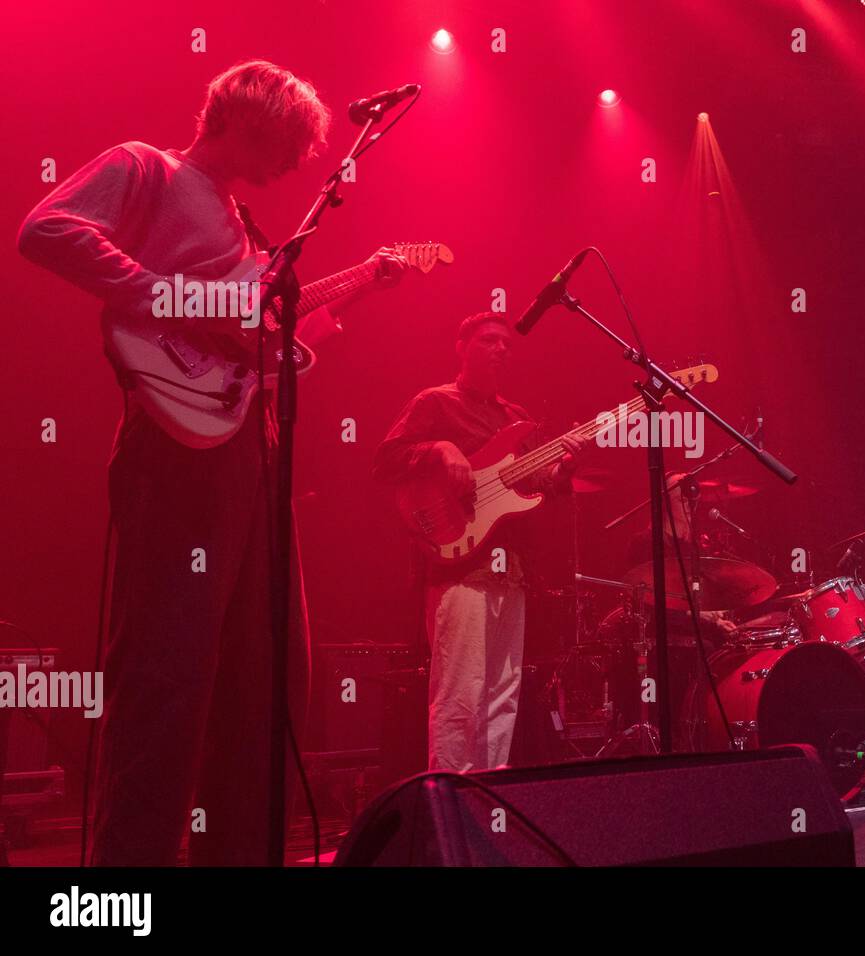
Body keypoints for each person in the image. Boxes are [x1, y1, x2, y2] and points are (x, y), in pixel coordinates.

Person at [16, 60, 407, 864]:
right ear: (246, 120)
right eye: (291, 143)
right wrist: (168, 297)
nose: (298, 163)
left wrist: (360, 288)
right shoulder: (146, 167)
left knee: (267, 682)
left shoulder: (248, 227)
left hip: (248, 449)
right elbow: (45, 230)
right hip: (174, 452)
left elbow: (263, 343)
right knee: (165, 680)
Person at [373, 313, 585, 772]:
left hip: (513, 572)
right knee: (460, 695)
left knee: (501, 699)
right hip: (459, 566)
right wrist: (439, 449)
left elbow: (539, 485)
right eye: (489, 340)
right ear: (462, 346)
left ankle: (490, 799)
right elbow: (386, 459)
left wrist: (561, 472)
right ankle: (449, 802)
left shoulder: (518, 417)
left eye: (506, 344)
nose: (501, 349)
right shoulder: (435, 403)